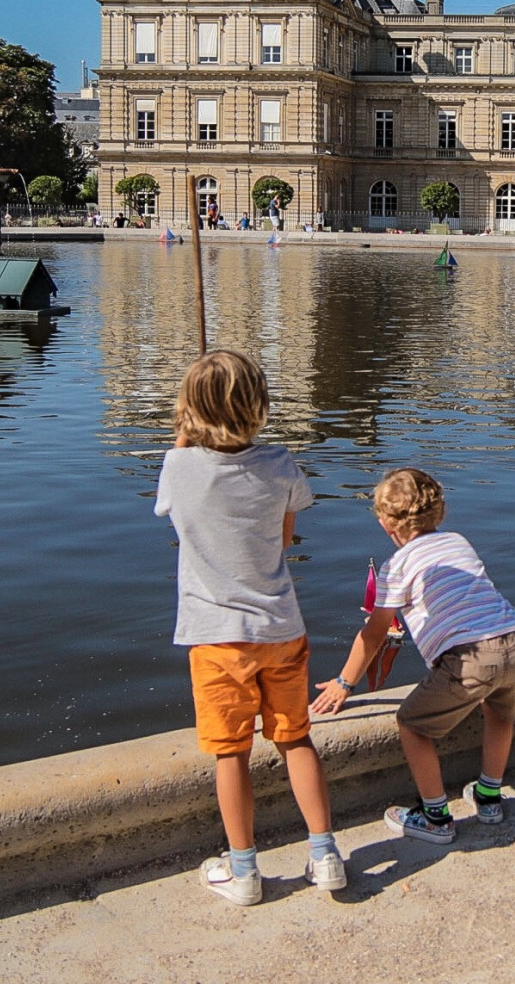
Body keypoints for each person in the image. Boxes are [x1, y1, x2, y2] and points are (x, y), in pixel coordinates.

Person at [154, 350, 345, 905]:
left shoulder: (178, 466)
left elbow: (174, 499)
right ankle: (325, 852)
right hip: (281, 627)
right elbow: (285, 539)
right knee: (296, 738)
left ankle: (244, 871)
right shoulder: (282, 462)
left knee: (231, 752)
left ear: (190, 410)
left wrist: (186, 431)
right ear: (259, 404)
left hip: (217, 638)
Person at [313, 468, 515, 844]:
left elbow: (375, 632)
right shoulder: (458, 542)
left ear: (385, 523)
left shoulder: (396, 566)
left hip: (470, 656)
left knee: (413, 726)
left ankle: (435, 817)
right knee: (500, 713)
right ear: (441, 514)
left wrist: (344, 683)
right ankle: (488, 797)